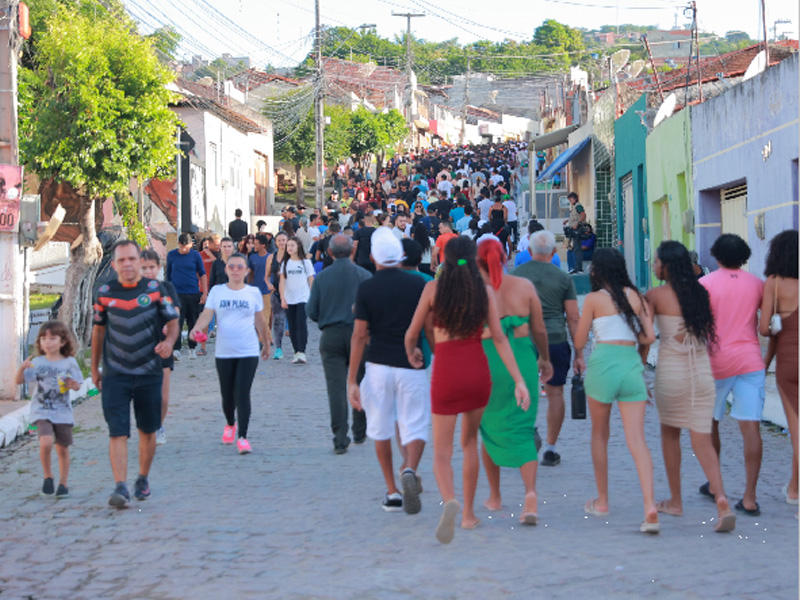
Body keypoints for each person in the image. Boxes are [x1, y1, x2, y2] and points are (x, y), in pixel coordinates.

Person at [404, 236, 530, 544]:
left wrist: (413, 353)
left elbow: (412, 333)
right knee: (471, 442)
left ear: (443, 258)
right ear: (474, 260)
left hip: (447, 372)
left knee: (442, 453)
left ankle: (450, 499)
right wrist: (519, 380)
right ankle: (469, 515)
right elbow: (499, 338)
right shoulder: (484, 291)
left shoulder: (433, 289)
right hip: (477, 371)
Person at [642, 241, 736, 532]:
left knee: (670, 436)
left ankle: (676, 501)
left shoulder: (654, 295)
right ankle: (721, 499)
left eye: (656, 261)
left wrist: (637, 372)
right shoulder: (700, 292)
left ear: (666, 266)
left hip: (672, 368)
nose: (653, 265)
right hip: (701, 369)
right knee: (702, 439)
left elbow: (646, 339)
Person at [572, 248, 659, 533]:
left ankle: (603, 501)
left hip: (603, 365)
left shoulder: (595, 300)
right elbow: (649, 336)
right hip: (631, 366)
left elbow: (581, 339)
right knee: (638, 440)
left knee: (600, 434)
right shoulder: (638, 297)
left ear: (597, 271)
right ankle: (649, 506)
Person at [91, 240, 179, 508]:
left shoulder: (155, 290)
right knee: (117, 431)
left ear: (139, 260)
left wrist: (169, 343)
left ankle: (142, 478)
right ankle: (120, 486)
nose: (127, 264)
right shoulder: (104, 292)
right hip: (116, 373)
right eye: (121, 260)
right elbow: (98, 331)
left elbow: (173, 322)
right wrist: (95, 367)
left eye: (131, 259)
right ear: (115, 264)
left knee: (147, 430)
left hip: (149, 372)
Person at [348, 228, 429, 515]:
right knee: (415, 423)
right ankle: (410, 468)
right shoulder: (418, 285)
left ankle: (392, 491)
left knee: (381, 428)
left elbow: (359, 336)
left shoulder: (367, 288)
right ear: (402, 255)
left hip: (378, 365)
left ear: (372, 257)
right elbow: (429, 328)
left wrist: (351, 380)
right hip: (411, 364)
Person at [476, 238, 552, 523]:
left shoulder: (475, 293)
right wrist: (543, 359)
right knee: (522, 428)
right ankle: (530, 495)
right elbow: (540, 330)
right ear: (505, 257)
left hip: (487, 361)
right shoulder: (524, 287)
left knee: (487, 427)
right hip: (521, 359)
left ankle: (495, 495)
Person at [700, 234, 765, 516]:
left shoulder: (705, 284)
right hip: (750, 359)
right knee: (751, 426)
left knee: (711, 421)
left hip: (716, 360)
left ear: (716, 256)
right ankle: (750, 497)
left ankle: (716, 486)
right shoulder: (757, 284)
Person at [190, 253, 271, 455]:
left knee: (242, 393)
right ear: (226, 269)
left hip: (248, 350)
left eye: (240, 267)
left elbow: (260, 320)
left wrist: (267, 343)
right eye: (232, 266)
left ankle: (243, 437)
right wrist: (197, 328)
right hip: (224, 351)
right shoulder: (217, 292)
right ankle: (230, 423)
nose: (235, 270)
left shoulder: (252, 293)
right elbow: (207, 315)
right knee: (227, 395)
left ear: (246, 271)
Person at [512, 230, 578, 466]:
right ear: (553, 252)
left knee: (520, 391)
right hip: (555, 339)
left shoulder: (516, 275)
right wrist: (579, 352)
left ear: (529, 252)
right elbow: (573, 318)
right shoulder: (563, 278)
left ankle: (524, 438)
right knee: (555, 393)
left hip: (523, 341)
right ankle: (550, 448)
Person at [308, 234, 372, 454]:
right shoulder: (364, 275)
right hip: (360, 332)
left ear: (330, 252)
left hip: (332, 333)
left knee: (335, 387)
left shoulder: (322, 277)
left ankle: (339, 436)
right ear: (352, 251)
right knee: (360, 381)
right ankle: (360, 430)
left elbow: (312, 311)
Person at [15, 321, 83, 499]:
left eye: (52, 338)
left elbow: (77, 385)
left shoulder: (69, 362)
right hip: (41, 410)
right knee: (45, 443)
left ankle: (63, 483)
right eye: (43, 338)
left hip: (62, 412)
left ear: (62, 342)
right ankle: (48, 476)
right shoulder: (37, 362)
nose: (47, 342)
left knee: (62, 449)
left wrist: (73, 385)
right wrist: (22, 368)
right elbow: (19, 381)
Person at [760, 230, 799, 507]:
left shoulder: (773, 284)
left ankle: (796, 490)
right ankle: (794, 487)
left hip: (789, 360)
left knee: (795, 428)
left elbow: (765, 329)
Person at [141, 249, 181, 446]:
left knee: (163, 398)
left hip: (162, 347)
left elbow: (175, 310)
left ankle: (158, 425)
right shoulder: (134, 291)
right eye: (144, 268)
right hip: (140, 350)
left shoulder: (166, 287)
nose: (149, 271)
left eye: (152, 267)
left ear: (159, 268)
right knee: (144, 396)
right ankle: (146, 426)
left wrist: (169, 323)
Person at [166, 233, 207, 360]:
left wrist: (204, 293)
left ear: (191, 245)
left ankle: (192, 348)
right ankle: (176, 349)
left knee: (192, 322)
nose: (184, 249)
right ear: (179, 244)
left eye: (187, 246)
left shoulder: (195, 255)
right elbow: (168, 274)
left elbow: (202, 274)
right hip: (176, 293)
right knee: (177, 321)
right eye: (182, 246)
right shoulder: (172, 255)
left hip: (193, 292)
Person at [279, 237, 314, 364]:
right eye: (288, 246)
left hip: (303, 297)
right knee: (292, 326)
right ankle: (296, 352)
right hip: (289, 298)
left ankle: (302, 351)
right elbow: (282, 281)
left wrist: (313, 296)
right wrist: (283, 298)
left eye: (292, 245)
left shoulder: (306, 262)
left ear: (298, 246)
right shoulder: (285, 263)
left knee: (301, 323)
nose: (290, 248)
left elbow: (311, 280)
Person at [266, 232, 289, 360]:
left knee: (293, 320)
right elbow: (266, 275)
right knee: (278, 320)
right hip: (276, 292)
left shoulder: (292, 256)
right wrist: (268, 284)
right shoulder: (271, 257)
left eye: (283, 240)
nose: (281, 243)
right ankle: (278, 348)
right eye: (279, 240)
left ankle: (299, 348)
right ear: (275, 242)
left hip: (291, 292)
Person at [247, 234, 272, 347]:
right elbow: (251, 273)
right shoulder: (252, 258)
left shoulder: (270, 257)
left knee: (266, 314)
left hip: (267, 289)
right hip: (255, 289)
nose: (254, 245)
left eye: (256, 243)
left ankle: (262, 339)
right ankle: (268, 337)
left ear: (263, 245)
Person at [563, 192, 586, 273]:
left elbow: (583, 215)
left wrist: (578, 223)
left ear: (575, 199)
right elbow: (574, 217)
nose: (570, 201)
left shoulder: (578, 206)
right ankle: (575, 266)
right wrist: (567, 221)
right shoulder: (573, 207)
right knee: (573, 249)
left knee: (577, 249)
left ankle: (579, 267)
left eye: (571, 199)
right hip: (573, 231)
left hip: (578, 231)